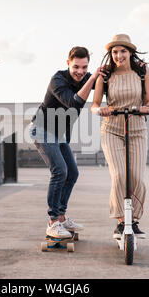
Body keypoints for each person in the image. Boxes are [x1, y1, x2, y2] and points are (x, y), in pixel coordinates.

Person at [29, 46, 106, 239]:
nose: (80, 71)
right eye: (76, 67)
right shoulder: (58, 80)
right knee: (60, 171)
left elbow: (109, 83)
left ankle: (62, 217)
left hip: (59, 134)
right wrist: (93, 77)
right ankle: (53, 221)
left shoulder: (87, 76)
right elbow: (73, 103)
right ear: (68, 64)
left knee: (72, 172)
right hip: (42, 129)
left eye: (84, 67)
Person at [91, 34, 149, 239]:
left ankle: (133, 220)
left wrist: (146, 109)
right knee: (119, 176)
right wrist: (100, 110)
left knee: (136, 177)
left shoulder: (142, 71)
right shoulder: (105, 75)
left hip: (137, 130)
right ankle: (120, 221)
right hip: (112, 129)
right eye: (115, 52)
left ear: (130, 52)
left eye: (123, 51)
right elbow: (94, 104)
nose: (119, 55)